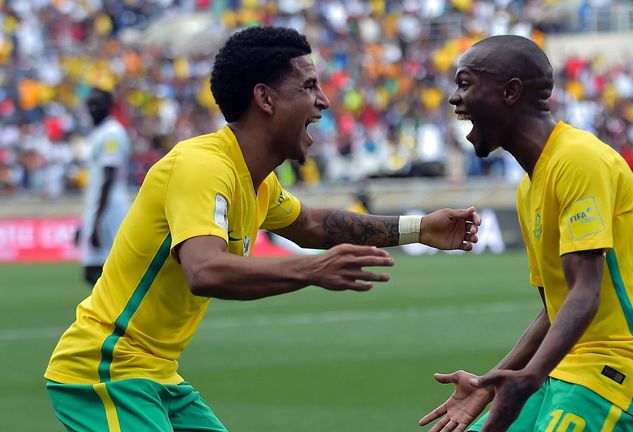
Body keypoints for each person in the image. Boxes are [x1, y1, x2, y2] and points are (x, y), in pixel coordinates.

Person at [45, 26, 481, 431]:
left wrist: (418, 228)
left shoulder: (257, 179)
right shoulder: (202, 166)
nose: (324, 101)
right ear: (266, 99)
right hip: (106, 370)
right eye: (309, 86)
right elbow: (205, 271)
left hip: (157, 375)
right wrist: (311, 272)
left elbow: (312, 224)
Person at [419, 35, 633, 432]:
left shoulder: (578, 159)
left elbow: (585, 292)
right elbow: (554, 310)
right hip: (563, 370)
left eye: (465, 84)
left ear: (510, 92)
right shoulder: (530, 185)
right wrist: (489, 385)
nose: (455, 98)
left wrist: (530, 376)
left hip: (618, 370)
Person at [77, 88, 132, 286]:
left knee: (99, 271)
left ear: (109, 107)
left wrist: (97, 222)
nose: (92, 108)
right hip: (98, 208)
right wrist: (86, 224)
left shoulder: (112, 133)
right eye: (89, 104)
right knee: (97, 272)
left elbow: (109, 177)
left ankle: (119, 312)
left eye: (97, 104)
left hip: (110, 209)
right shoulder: (98, 133)